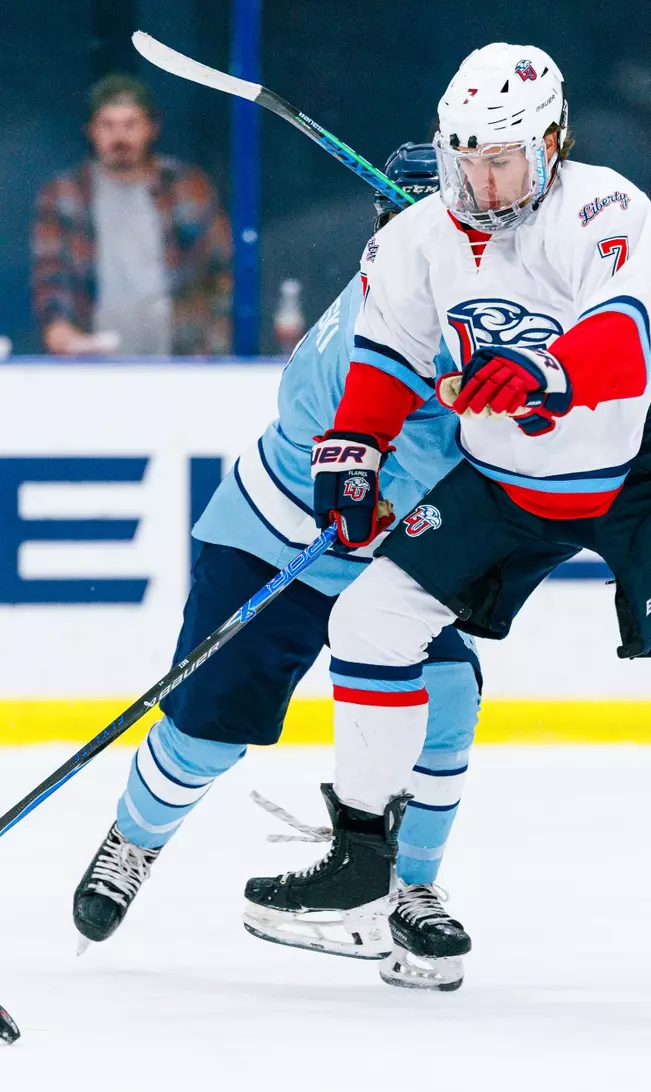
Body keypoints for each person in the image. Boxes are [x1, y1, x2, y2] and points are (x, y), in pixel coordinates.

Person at [243, 43, 651, 1010]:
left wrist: (548, 372)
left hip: (646, 463)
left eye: (504, 158)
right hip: (509, 478)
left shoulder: (604, 206)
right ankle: (360, 852)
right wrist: (351, 452)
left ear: (553, 142)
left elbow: (626, 336)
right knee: (370, 619)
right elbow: (388, 359)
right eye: (467, 158)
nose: (483, 178)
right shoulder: (416, 238)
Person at [70, 144, 516, 993]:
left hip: (385, 560)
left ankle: (408, 888)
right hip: (276, 537)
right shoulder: (373, 321)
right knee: (205, 730)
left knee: (449, 697)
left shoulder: (487, 301)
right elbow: (367, 441)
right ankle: (134, 839)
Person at [31, 75, 231, 357]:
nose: (120, 137)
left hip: (181, 360)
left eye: (131, 124)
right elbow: (51, 275)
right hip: (93, 361)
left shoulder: (189, 187)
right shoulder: (63, 193)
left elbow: (221, 275)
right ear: (90, 130)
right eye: (108, 125)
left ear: (152, 128)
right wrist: (60, 330)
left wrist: (213, 351)